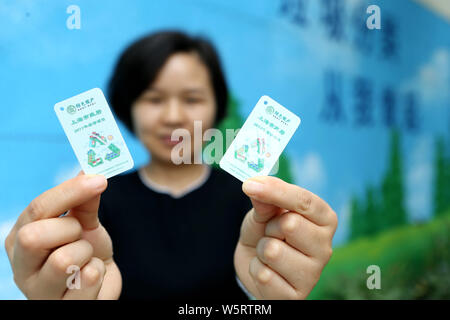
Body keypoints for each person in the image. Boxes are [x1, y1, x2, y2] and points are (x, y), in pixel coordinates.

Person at [4, 31, 338, 300]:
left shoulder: (253, 201)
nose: (174, 117)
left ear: (217, 108)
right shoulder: (94, 205)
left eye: (192, 99)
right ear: (127, 108)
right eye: (153, 98)